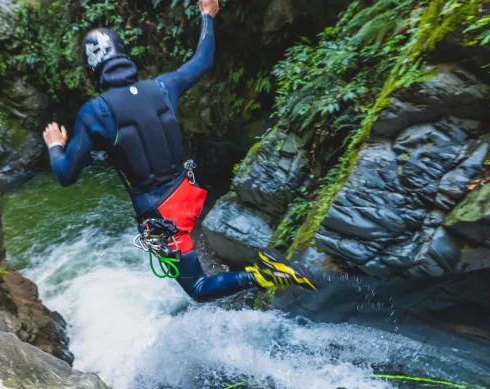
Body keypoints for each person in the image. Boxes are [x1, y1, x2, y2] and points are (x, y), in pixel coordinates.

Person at [43, 0, 316, 302]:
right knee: (191, 252)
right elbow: (202, 60)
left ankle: (262, 273)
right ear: (124, 54)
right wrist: (207, 18)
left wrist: (55, 145)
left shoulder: (95, 113)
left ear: (92, 69)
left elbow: (65, 174)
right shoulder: (162, 86)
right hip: (187, 192)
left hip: (161, 215)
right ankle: (263, 269)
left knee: (198, 289)